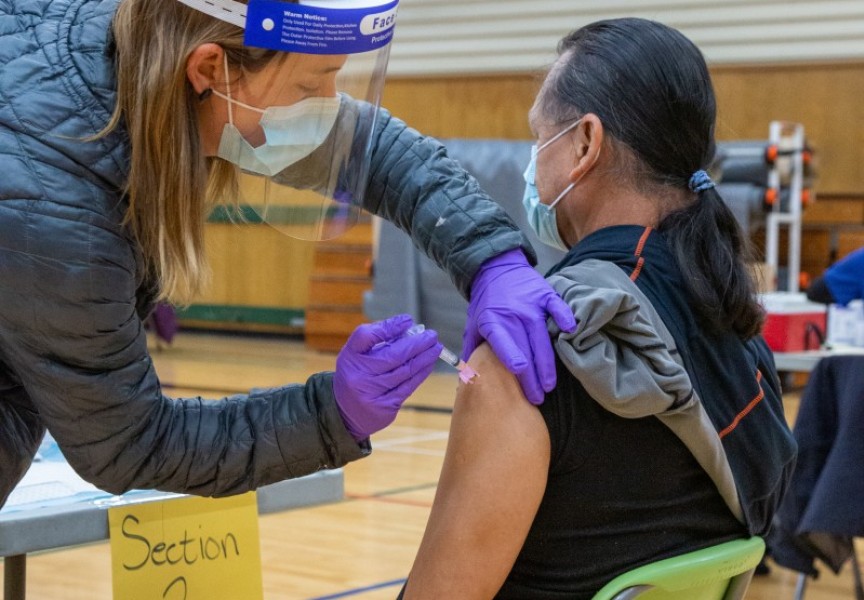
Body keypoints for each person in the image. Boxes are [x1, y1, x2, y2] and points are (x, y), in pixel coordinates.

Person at [0, 0, 576, 507]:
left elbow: (377, 156)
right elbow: (132, 442)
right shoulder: (56, 211)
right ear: (207, 69)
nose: (327, 109)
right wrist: (332, 415)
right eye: (307, 89)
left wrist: (492, 258)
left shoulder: (136, 43)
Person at [400, 18, 797, 599]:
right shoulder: (737, 331)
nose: (535, 166)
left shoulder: (529, 351)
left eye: (541, 140)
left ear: (585, 143)